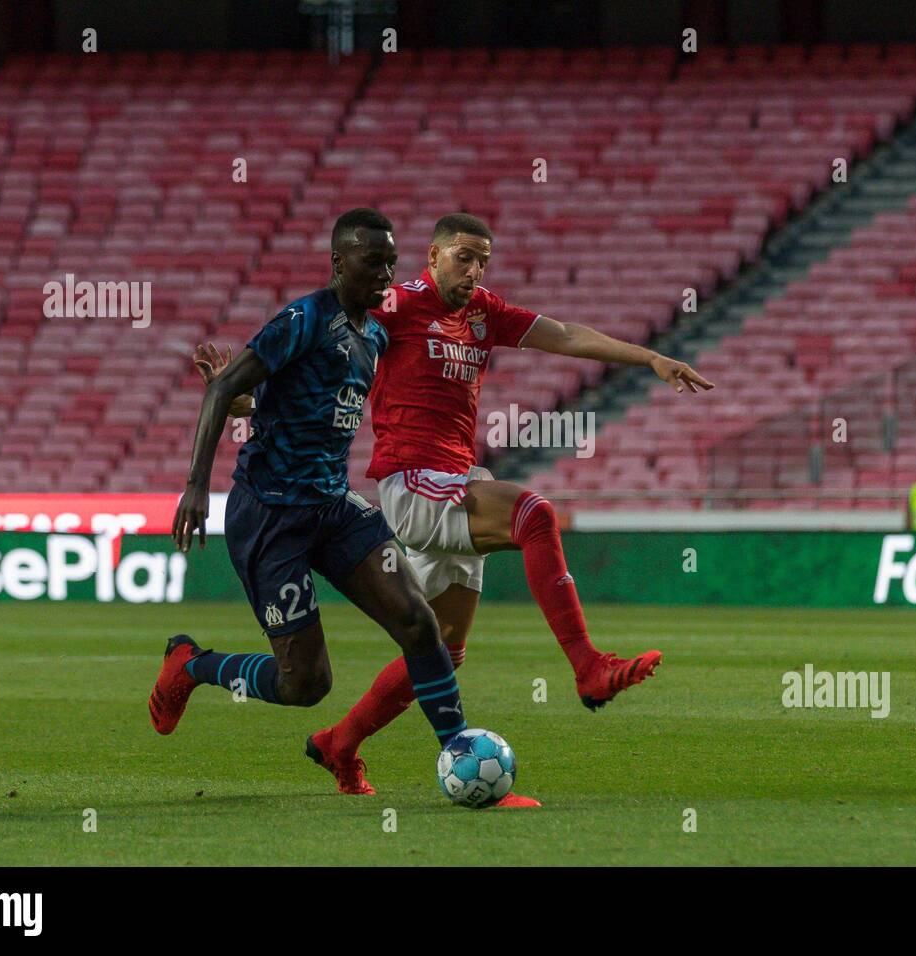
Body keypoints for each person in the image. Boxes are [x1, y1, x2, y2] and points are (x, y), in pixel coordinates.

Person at [196, 212, 714, 800]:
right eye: (464, 257)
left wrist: (649, 358)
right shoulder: (397, 302)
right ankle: (588, 666)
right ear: (434, 255)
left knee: (442, 646)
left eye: (483, 261)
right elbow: (322, 348)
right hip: (412, 481)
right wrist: (242, 397)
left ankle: (340, 742)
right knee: (534, 515)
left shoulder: (482, 312)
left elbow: (565, 334)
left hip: (456, 479)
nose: (474, 270)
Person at [151, 208, 475, 767]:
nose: (384, 275)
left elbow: (286, 402)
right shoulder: (304, 318)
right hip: (271, 514)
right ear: (338, 262)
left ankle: (460, 750)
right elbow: (224, 386)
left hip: (332, 506)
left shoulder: (373, 335)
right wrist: (196, 486)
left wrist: (248, 403)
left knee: (419, 623)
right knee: (306, 684)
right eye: (372, 262)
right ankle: (190, 664)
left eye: (391, 264)